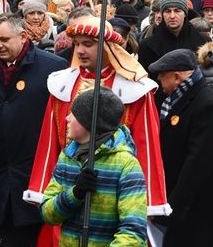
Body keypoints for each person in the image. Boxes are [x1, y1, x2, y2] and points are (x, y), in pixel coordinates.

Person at [25, 17, 170, 244]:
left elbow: (146, 146)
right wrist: (43, 188)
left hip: (118, 186)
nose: (80, 50)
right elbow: (50, 141)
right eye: (77, 44)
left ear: (107, 46)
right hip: (70, 185)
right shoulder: (62, 84)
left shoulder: (135, 89)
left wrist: (150, 201)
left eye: (88, 44)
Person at [0, 13, 68, 246]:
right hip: (4, 181)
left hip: (41, 178)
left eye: (4, 40)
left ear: (23, 36)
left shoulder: (53, 67)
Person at [40, 87, 148, 246]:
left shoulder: (126, 164)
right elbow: (48, 215)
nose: (67, 119)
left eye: (73, 114)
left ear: (90, 122)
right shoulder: (67, 157)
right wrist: (75, 194)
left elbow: (134, 231)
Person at [149, 49, 213, 244]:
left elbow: (197, 165)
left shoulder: (205, 104)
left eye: (162, 77)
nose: (160, 82)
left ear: (177, 78)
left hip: (192, 209)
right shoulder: (180, 99)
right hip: (178, 205)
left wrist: (171, 209)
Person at [138, 0, 209, 73]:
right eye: (168, 11)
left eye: (177, 11)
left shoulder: (204, 43)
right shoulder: (146, 46)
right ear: (162, 14)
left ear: (185, 13)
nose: (172, 16)